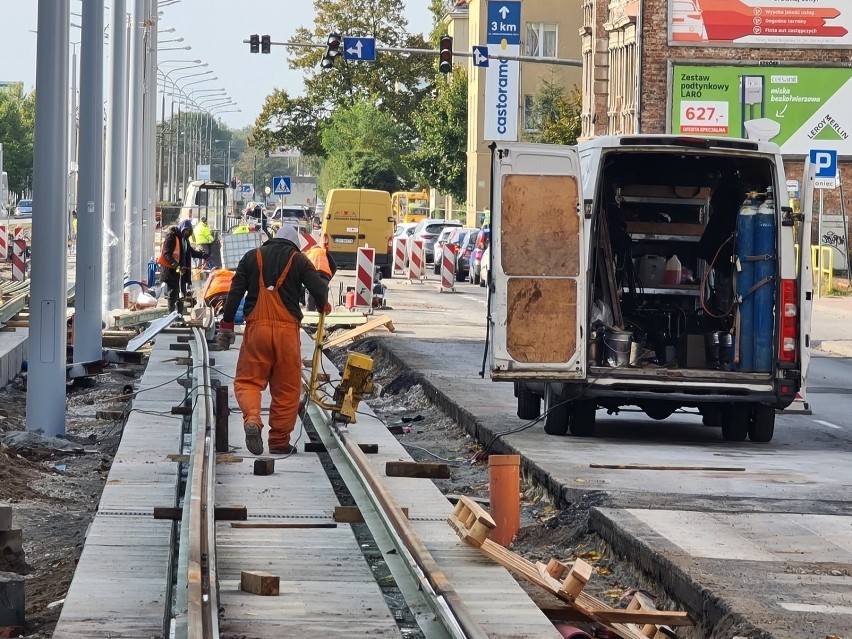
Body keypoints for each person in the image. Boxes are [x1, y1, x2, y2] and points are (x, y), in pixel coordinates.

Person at [216, 224, 332, 456]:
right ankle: (279, 442)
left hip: (256, 332)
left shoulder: (252, 257)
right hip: (287, 334)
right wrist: (322, 304)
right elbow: (319, 288)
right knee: (287, 390)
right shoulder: (299, 260)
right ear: (294, 245)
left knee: (248, 381)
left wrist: (227, 325)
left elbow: (235, 293)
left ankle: (252, 419)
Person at [157, 219, 208, 315]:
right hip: (171, 271)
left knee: (182, 294)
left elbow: (191, 252)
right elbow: (166, 253)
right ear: (181, 229)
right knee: (173, 293)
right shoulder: (172, 237)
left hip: (182, 272)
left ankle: (179, 314)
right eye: (185, 230)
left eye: (188, 231)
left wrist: (202, 255)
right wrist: (176, 265)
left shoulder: (185, 240)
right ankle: (171, 314)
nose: (186, 233)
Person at [303, 244, 337, 311]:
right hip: (324, 278)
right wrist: (329, 278)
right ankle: (322, 315)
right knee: (322, 301)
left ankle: (310, 313)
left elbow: (302, 268)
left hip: (311, 278)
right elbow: (334, 266)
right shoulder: (324, 252)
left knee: (310, 296)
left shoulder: (308, 253)